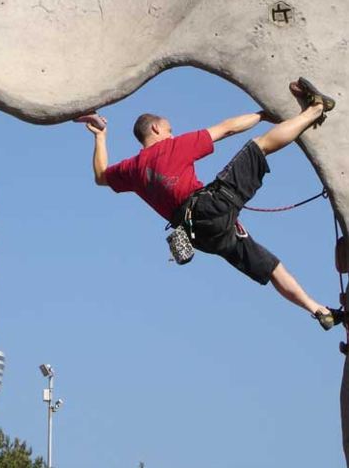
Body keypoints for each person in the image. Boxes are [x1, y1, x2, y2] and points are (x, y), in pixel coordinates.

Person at [84, 78, 342, 331]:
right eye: (169, 128)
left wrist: (101, 137)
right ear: (155, 130)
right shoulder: (172, 147)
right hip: (209, 208)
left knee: (270, 267)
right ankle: (316, 109)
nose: (172, 133)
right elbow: (227, 128)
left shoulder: (131, 169)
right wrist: (262, 114)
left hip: (200, 236)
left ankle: (318, 309)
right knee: (259, 146)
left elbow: (100, 176)